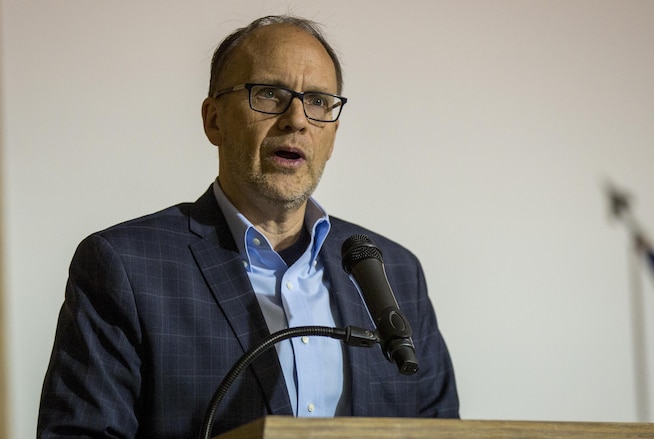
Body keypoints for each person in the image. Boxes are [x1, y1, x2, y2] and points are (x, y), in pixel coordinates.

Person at [37, 15, 459, 439]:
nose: (297, 119)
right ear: (214, 120)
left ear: (333, 133)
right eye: (270, 94)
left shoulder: (396, 272)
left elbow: (443, 432)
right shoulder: (126, 267)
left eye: (317, 101)